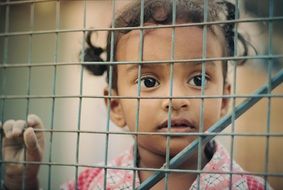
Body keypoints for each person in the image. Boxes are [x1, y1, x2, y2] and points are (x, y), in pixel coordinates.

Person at [1, 0, 272, 189]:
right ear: (116, 106)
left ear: (224, 100)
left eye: (198, 79)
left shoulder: (248, 187)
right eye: (150, 81)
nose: (176, 99)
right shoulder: (91, 184)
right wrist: (22, 184)